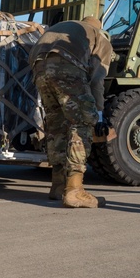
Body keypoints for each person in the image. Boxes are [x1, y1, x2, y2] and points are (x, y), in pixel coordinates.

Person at [30, 15, 113, 208]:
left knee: (56, 123)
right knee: (82, 121)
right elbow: (97, 80)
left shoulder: (63, 26)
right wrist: (98, 115)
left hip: (39, 67)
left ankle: (58, 186)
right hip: (66, 64)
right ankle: (75, 190)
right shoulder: (98, 36)